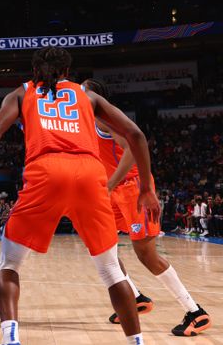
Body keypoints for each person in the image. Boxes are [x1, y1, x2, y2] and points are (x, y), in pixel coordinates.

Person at [0, 47, 160, 345]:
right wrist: (146, 189)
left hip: (47, 171)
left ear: (35, 70)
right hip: (90, 175)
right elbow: (137, 135)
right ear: (67, 71)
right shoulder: (87, 95)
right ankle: (137, 342)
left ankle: (11, 338)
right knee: (111, 270)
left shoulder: (21, 93)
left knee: (9, 264)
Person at [84, 78, 211, 337]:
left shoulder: (106, 120)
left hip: (133, 188)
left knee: (146, 254)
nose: (77, 92)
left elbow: (133, 148)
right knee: (99, 245)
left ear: (95, 96)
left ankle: (195, 312)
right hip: (114, 192)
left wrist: (109, 184)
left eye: (83, 89)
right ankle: (135, 297)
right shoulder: (86, 123)